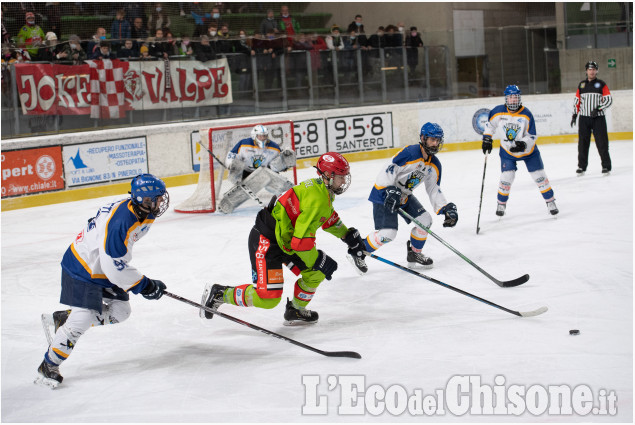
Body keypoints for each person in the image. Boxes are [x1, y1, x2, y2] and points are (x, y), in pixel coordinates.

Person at [35, 174, 170, 389]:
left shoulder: (142, 211)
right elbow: (113, 267)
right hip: (82, 268)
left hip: (101, 266)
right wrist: (144, 284)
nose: (161, 202)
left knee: (121, 313)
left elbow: (114, 261)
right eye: (156, 199)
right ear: (143, 201)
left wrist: (139, 281)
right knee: (83, 318)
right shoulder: (121, 223)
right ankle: (49, 364)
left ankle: (63, 319)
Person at [200, 152, 366, 325]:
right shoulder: (317, 200)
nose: (344, 181)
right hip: (268, 240)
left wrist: (348, 236)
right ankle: (220, 293)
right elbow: (300, 243)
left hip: (285, 239)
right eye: (341, 177)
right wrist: (318, 259)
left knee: (316, 272)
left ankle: (295, 309)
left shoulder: (322, 190)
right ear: (328, 175)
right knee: (268, 299)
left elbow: (327, 218)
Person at [352, 123, 458, 274]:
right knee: (388, 234)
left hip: (404, 196)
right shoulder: (410, 153)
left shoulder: (434, 164)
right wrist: (389, 189)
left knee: (425, 220)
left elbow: (434, 188)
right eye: (432, 140)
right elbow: (389, 169)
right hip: (384, 194)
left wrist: (445, 209)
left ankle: (414, 253)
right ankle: (358, 251)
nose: (435, 143)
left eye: (438, 140)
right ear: (423, 138)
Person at [482, 85, 558, 217]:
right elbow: (490, 126)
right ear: (506, 98)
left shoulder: (526, 114)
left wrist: (523, 144)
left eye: (515, 97)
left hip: (529, 152)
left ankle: (550, 201)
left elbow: (532, 136)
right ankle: (501, 204)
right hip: (508, 151)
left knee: (539, 176)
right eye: (510, 97)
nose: (513, 100)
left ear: (519, 98)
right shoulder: (497, 112)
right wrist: (487, 139)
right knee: (507, 176)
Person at [218, 125, 296, 214]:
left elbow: (279, 164)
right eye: (260, 136)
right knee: (236, 164)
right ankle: (225, 205)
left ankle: (293, 199)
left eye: (265, 136)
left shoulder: (274, 147)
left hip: (265, 174)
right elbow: (232, 155)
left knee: (280, 185)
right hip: (245, 173)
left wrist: (285, 161)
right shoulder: (244, 144)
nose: (263, 138)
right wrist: (230, 164)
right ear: (254, 136)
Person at [570, 60, 613, 175]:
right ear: (586, 71)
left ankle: (606, 166)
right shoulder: (582, 85)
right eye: (589, 69)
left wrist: (598, 108)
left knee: (602, 142)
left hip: (598, 118)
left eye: (594, 69)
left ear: (597, 71)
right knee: (583, 143)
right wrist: (575, 114)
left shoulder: (602, 84)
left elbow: (609, 100)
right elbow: (577, 101)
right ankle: (581, 167)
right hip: (584, 119)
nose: (592, 71)